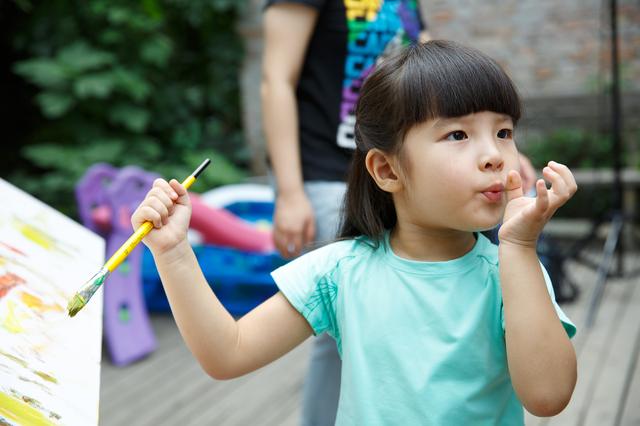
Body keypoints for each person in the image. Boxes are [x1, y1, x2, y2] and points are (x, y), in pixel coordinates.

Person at [132, 40, 578, 425]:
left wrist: (518, 247)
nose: (494, 155)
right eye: (458, 135)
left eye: (503, 131)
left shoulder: (511, 271)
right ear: (387, 169)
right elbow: (227, 353)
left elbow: (548, 396)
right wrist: (172, 253)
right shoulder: (340, 271)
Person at [261, 2, 429, 424]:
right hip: (326, 176)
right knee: (341, 323)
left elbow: (430, 75)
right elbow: (275, 80)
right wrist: (289, 191)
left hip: (395, 174)